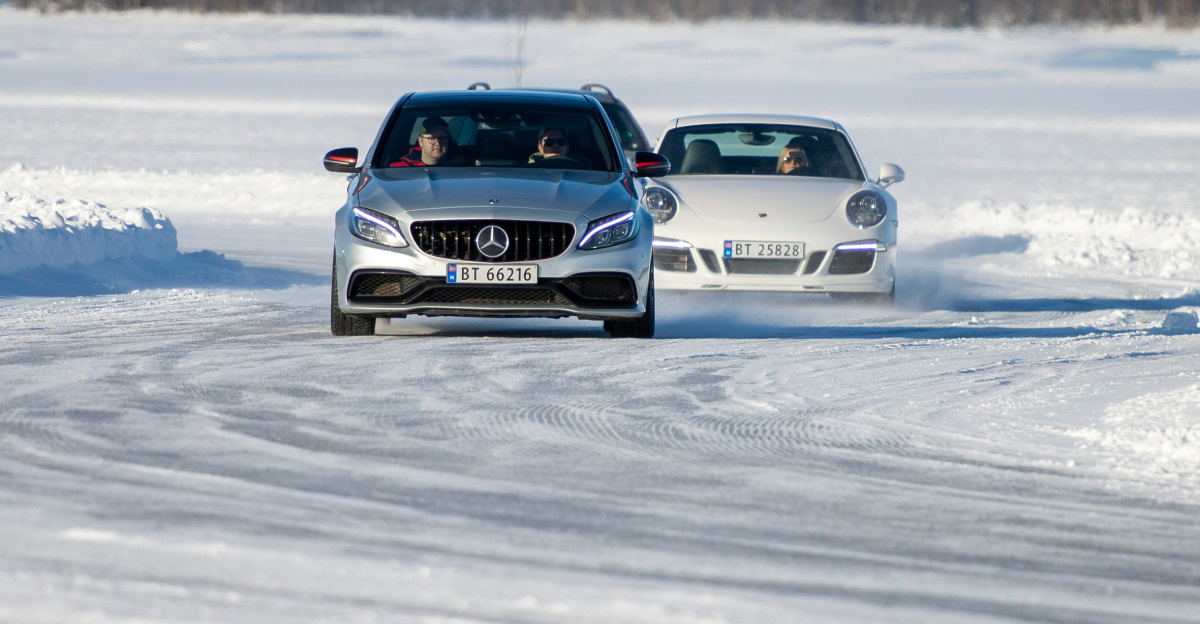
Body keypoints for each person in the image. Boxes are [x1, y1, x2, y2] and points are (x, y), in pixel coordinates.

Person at [390, 116, 466, 167]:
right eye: (432, 138)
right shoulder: (399, 169)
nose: (438, 143)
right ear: (420, 141)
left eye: (442, 138)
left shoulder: (465, 168)